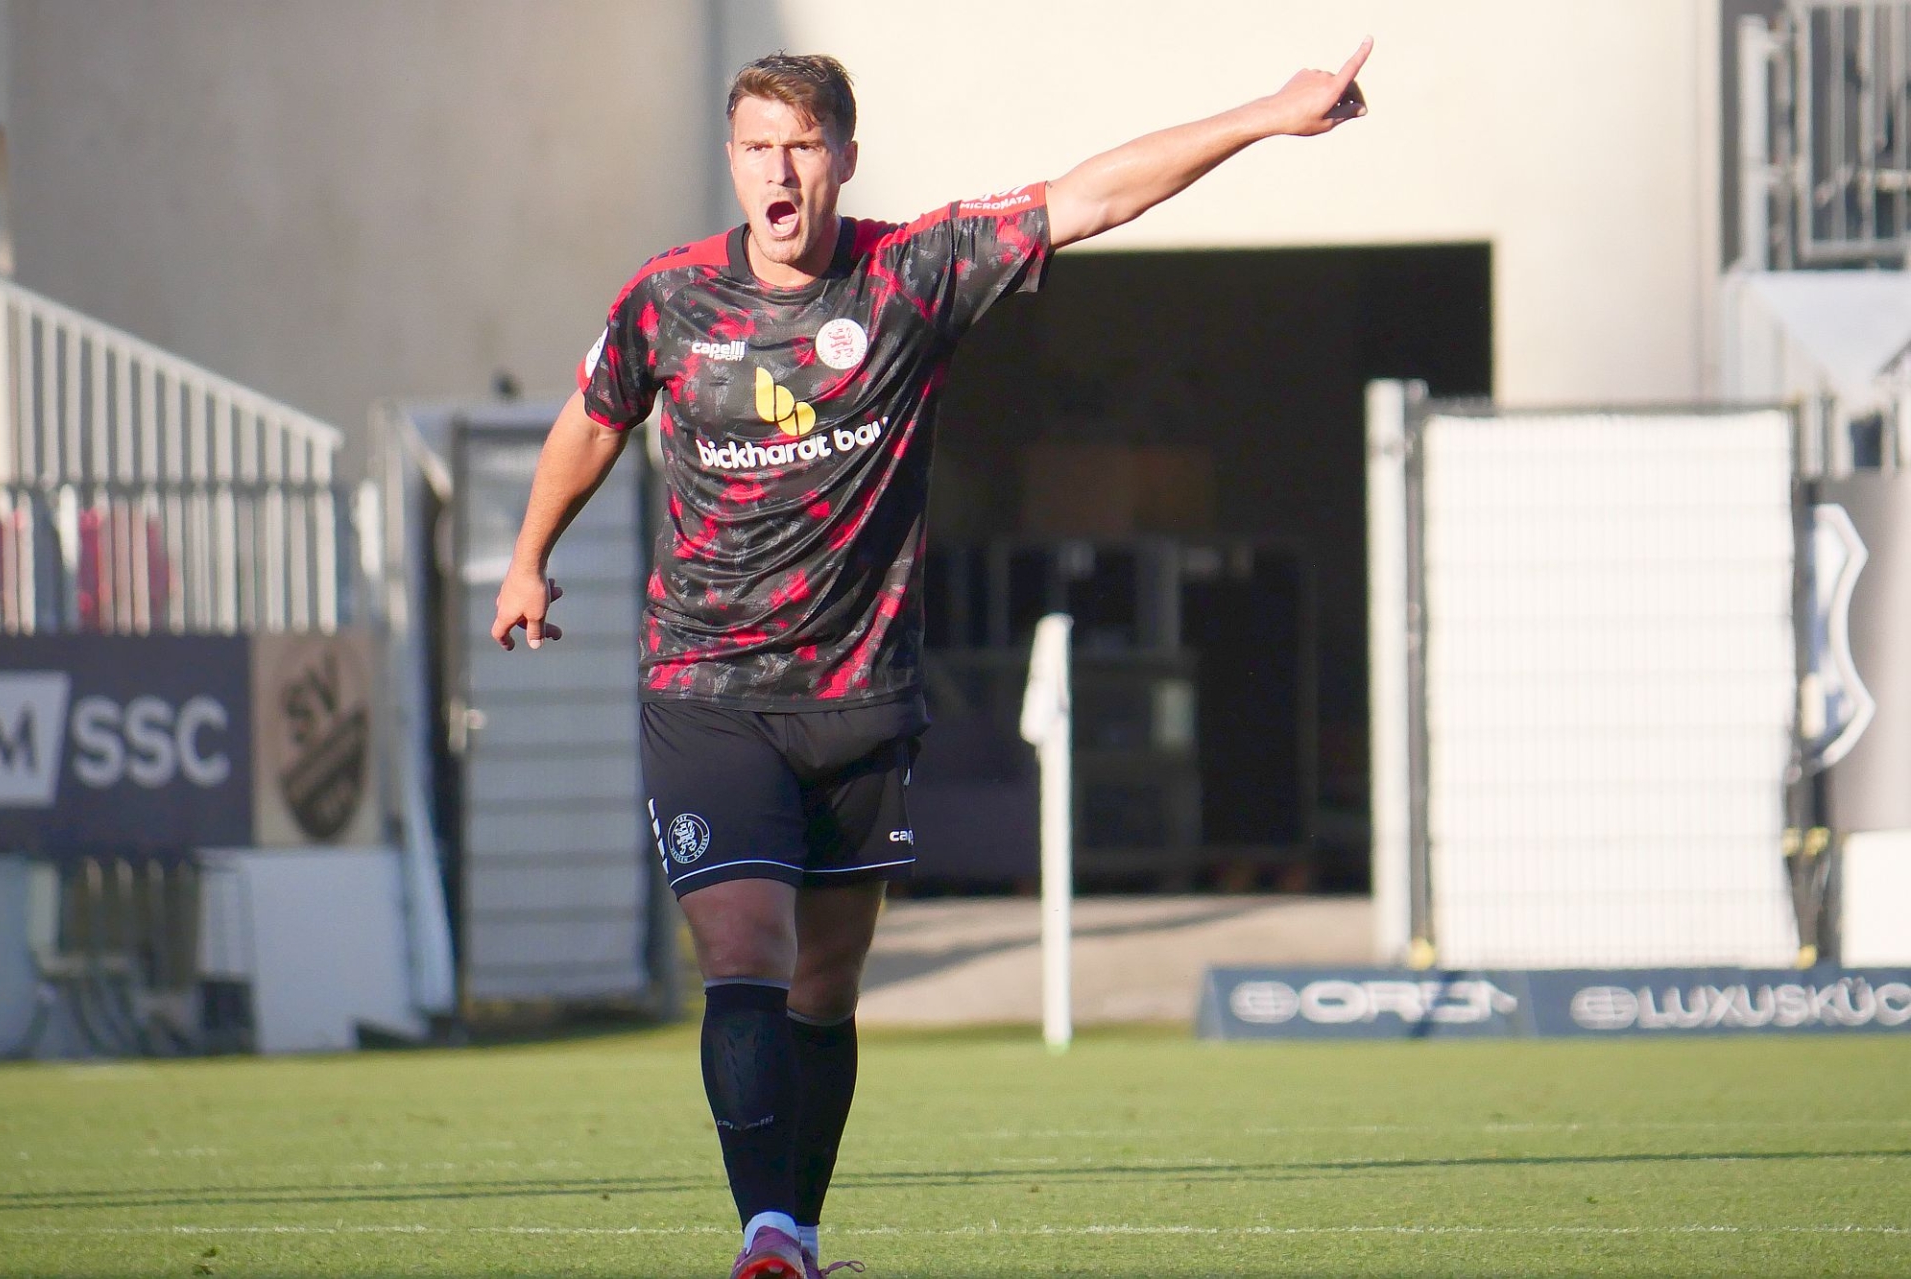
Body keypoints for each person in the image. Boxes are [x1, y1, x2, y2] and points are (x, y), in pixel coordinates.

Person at [492, 40, 1372, 1279]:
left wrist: (1269, 116)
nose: (778, 172)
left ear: (845, 157)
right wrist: (529, 555)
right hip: (707, 684)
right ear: (731, 160)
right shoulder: (669, 299)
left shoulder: (911, 274)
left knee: (825, 982)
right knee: (743, 951)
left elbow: (1091, 195)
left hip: (859, 693)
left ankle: (796, 1231)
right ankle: (765, 1234)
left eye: (803, 147)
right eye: (757, 149)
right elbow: (593, 421)